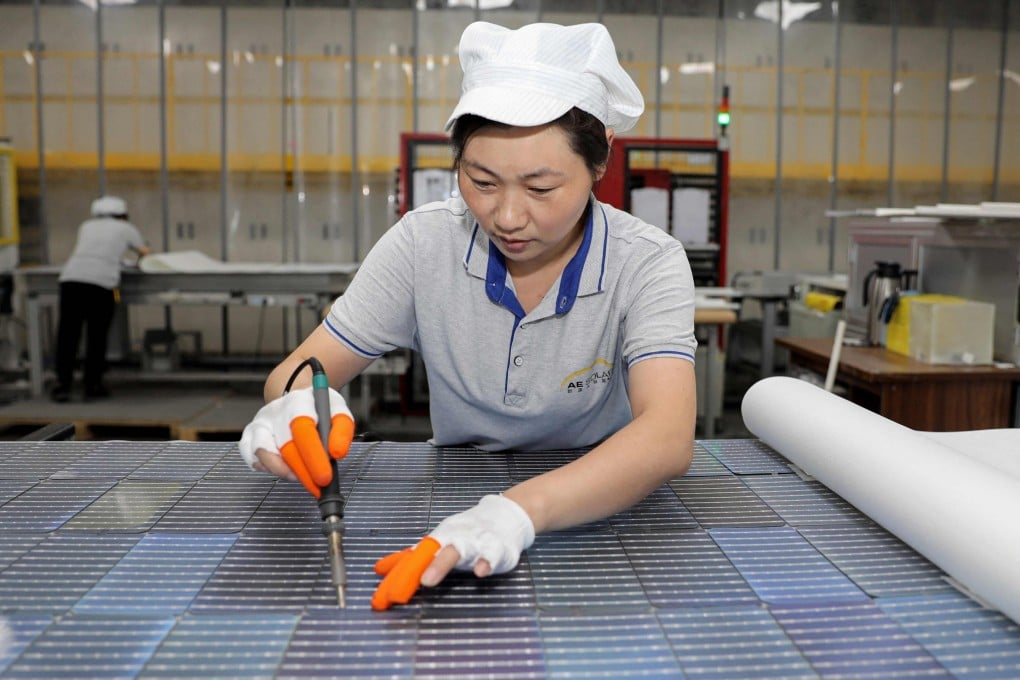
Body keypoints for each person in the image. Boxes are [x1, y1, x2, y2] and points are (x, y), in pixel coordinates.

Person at [239, 21, 698, 610]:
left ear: (599, 162)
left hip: (604, 502)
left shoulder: (647, 262)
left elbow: (666, 437)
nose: (507, 216)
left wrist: (516, 511)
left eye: (540, 188)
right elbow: (302, 369)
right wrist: (295, 404)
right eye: (481, 182)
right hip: (449, 489)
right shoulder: (422, 245)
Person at [50, 195, 151, 402]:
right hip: (101, 284)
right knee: (97, 335)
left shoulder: (86, 226)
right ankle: (92, 385)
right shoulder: (126, 228)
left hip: (71, 281)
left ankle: (62, 385)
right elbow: (145, 252)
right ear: (123, 214)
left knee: (68, 334)